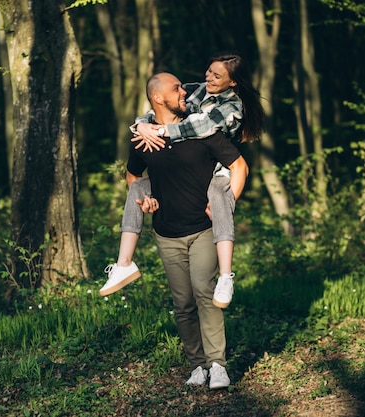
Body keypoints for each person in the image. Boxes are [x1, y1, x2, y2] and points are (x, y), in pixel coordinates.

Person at [100, 52, 265, 311]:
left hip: (218, 171)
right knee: (138, 188)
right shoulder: (197, 90)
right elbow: (160, 101)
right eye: (209, 71)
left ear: (232, 82)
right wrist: (141, 125)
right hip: (172, 212)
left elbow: (200, 127)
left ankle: (226, 277)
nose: (208, 77)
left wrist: (160, 130)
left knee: (221, 197)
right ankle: (124, 263)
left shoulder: (231, 107)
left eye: (217, 75)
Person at [122, 71, 246, 388]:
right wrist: (145, 200)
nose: (184, 92)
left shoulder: (201, 127)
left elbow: (238, 165)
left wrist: (226, 200)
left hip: (204, 229)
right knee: (183, 303)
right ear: (158, 98)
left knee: (205, 294)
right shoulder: (145, 138)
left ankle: (217, 364)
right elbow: (133, 176)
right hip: (166, 233)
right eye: (176, 88)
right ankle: (198, 365)